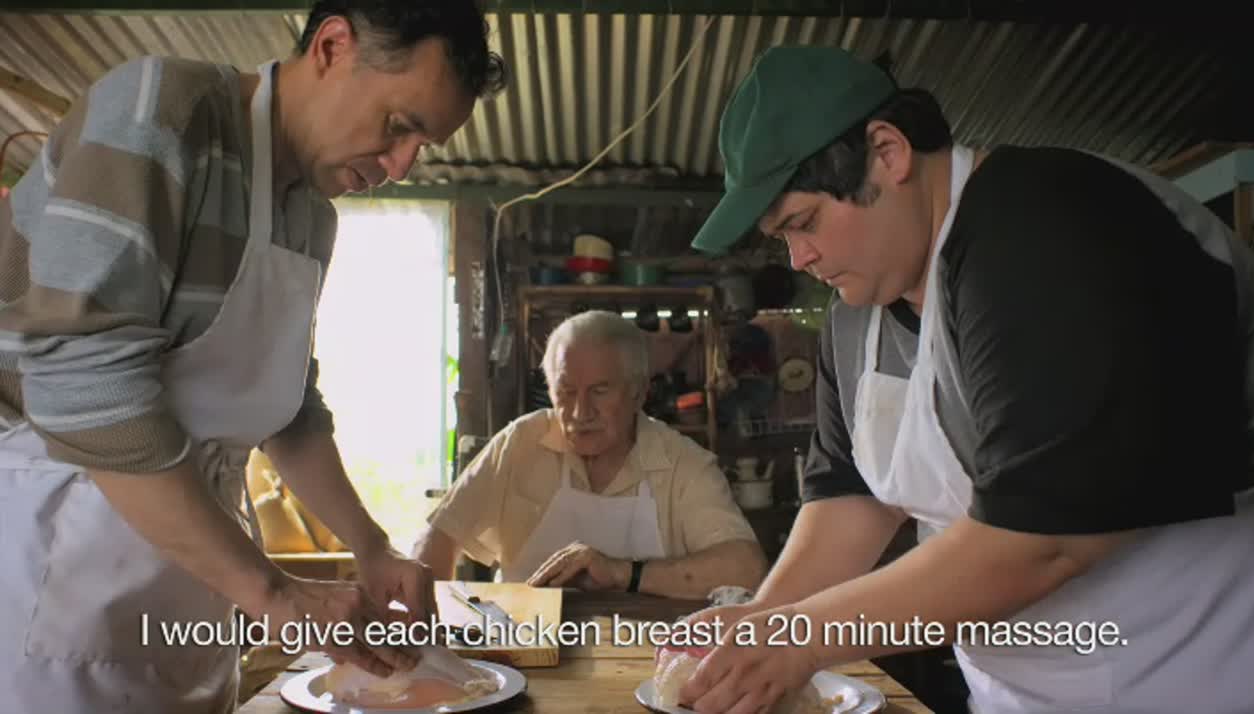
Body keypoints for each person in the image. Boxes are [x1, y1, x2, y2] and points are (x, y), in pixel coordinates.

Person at [672, 45, 1254, 714]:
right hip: (1017, 697)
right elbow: (850, 494)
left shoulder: (1050, 226)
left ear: (888, 153)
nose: (798, 258)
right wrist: (763, 621)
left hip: (1209, 677)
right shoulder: (857, 314)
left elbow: (1046, 537)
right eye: (780, 238)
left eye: (804, 222)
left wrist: (802, 639)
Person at [0, 2, 504, 712]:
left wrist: (371, 546)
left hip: (198, 570)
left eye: (422, 146)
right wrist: (274, 593)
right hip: (61, 553)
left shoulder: (310, 217)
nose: (400, 165)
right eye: (398, 125)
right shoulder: (163, 113)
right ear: (333, 45)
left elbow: (288, 406)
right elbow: (82, 383)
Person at [413, 310, 767, 599]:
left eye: (599, 391)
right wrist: (426, 633)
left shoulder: (682, 464)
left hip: (648, 652)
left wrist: (623, 573)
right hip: (523, 647)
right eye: (566, 392)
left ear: (639, 393)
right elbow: (438, 539)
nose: (581, 413)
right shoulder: (520, 443)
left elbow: (747, 570)